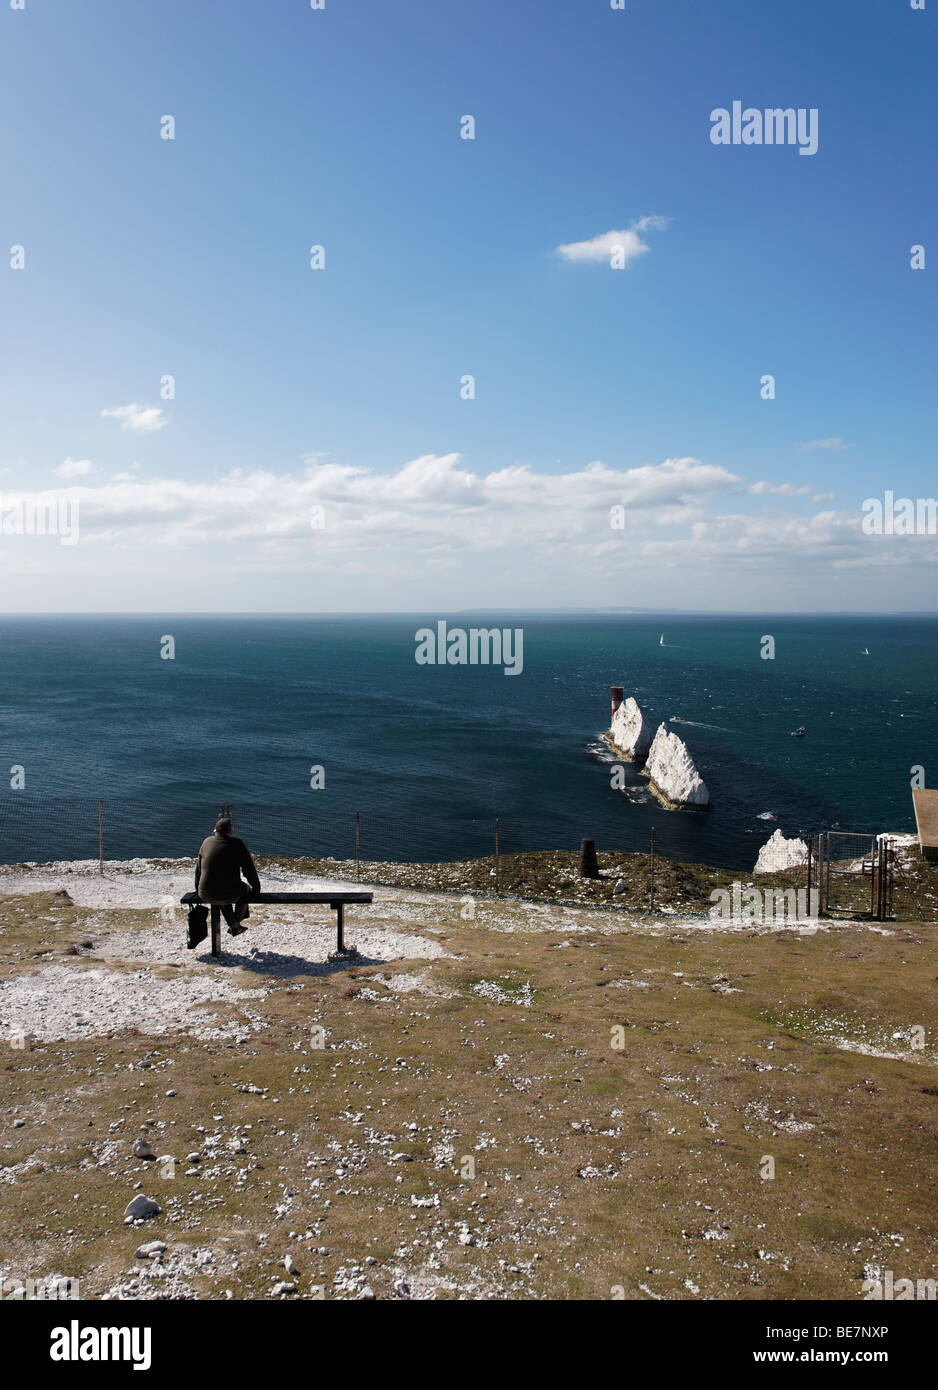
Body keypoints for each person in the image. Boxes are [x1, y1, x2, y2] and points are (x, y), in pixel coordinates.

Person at [191, 816, 261, 946]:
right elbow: (249, 870)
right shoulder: (237, 844)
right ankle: (236, 923)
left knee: (221, 893)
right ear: (229, 831)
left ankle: (235, 926)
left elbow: (198, 870)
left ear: (215, 831)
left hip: (205, 892)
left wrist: (197, 889)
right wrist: (256, 890)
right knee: (245, 890)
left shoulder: (206, 842)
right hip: (227, 892)